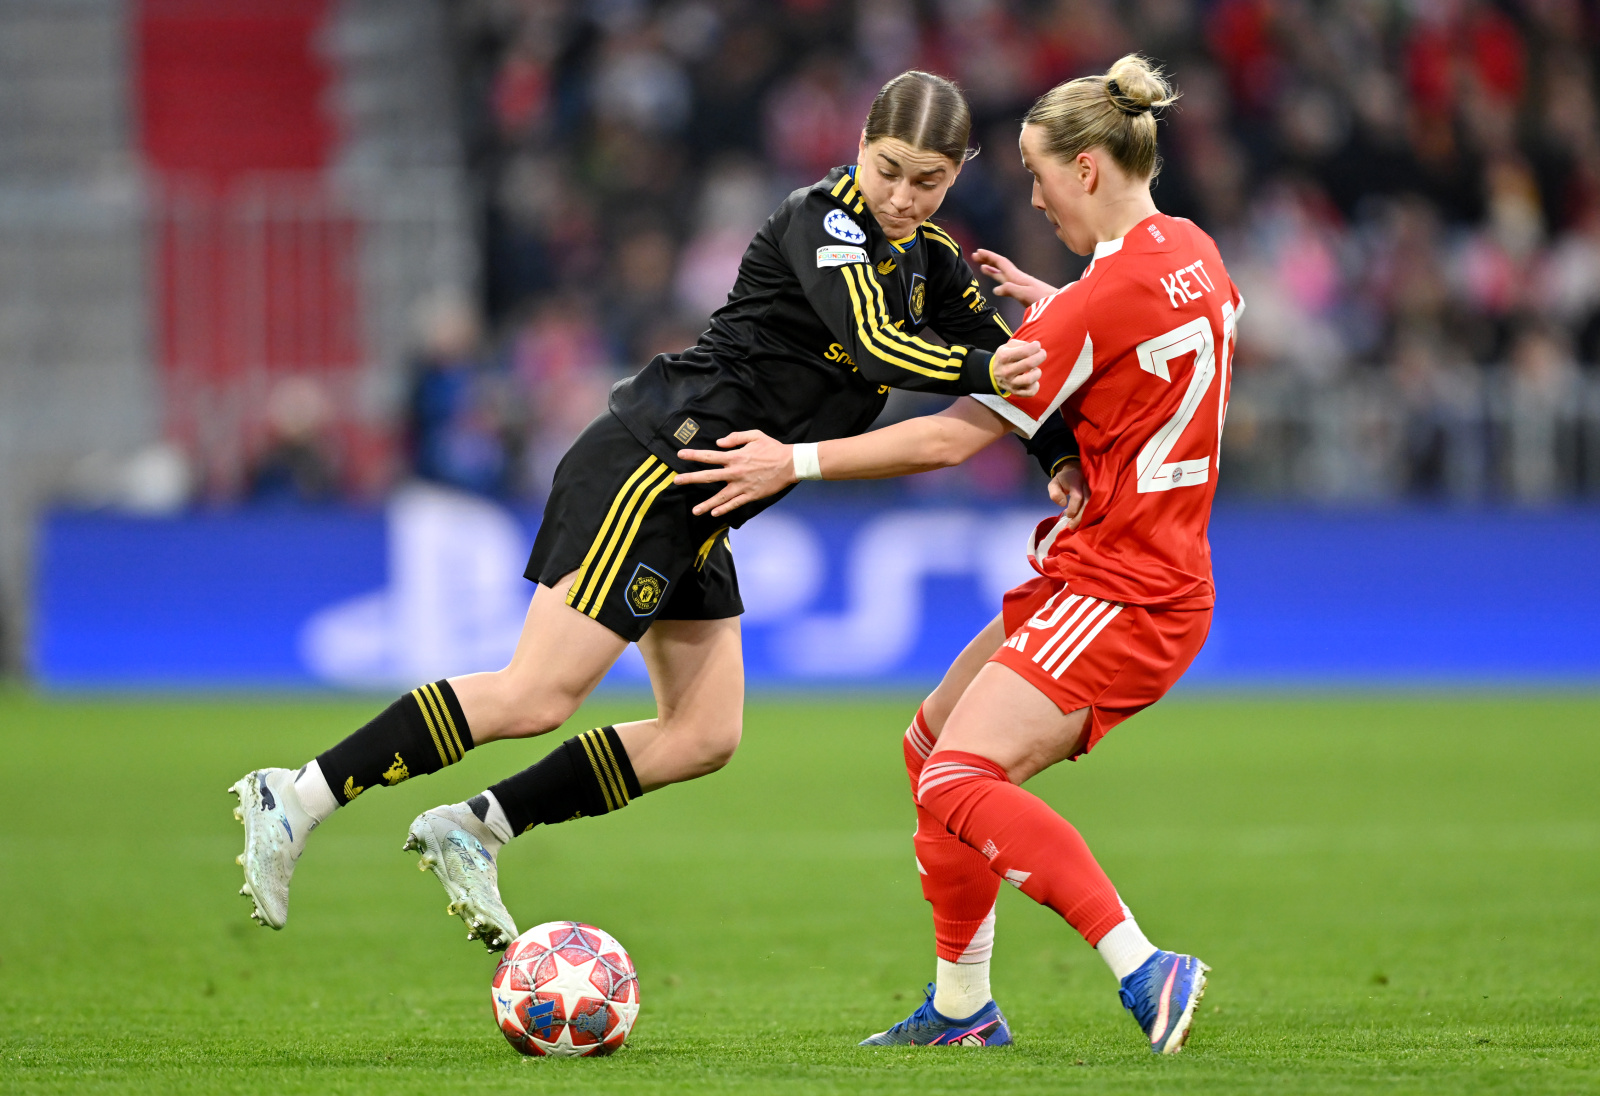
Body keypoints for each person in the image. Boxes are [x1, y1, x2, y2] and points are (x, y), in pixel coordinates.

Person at [227, 71, 1066, 952]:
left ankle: (476, 827)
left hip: (710, 492)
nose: (901, 195)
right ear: (860, 142)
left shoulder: (930, 262)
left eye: (927, 181)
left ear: (958, 174)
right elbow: (878, 346)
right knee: (537, 694)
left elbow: (1006, 363)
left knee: (703, 735)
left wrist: (1056, 458)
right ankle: (297, 795)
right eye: (888, 168)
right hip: (656, 460)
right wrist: (988, 370)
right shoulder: (823, 221)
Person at [677, 55, 1238, 1054]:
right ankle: (961, 1005)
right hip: (1135, 568)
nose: (1030, 195)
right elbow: (1140, 320)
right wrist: (1064, 297)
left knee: (958, 781)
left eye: (1037, 173)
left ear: (1087, 170)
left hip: (1124, 585)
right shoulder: (1193, 252)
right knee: (929, 745)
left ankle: (1143, 964)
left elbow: (942, 440)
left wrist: (792, 460)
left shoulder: (1081, 312)